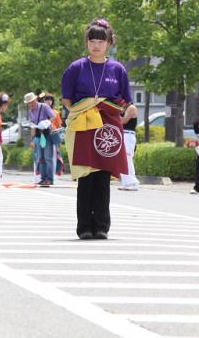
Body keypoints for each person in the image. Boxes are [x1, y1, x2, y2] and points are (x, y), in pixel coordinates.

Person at [62, 19, 131, 240]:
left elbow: (124, 101)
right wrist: (87, 108)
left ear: (109, 43)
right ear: (86, 42)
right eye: (92, 40)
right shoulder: (76, 68)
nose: (96, 45)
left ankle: (101, 226)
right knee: (86, 176)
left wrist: (116, 111)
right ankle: (84, 227)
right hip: (83, 127)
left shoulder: (117, 69)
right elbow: (67, 100)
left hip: (108, 128)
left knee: (102, 177)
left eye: (101, 41)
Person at [25, 92, 57, 186]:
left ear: (35, 100)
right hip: (38, 135)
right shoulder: (30, 111)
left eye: (32, 102)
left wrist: (46, 122)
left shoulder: (44, 107)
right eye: (29, 103)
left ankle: (50, 179)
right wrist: (32, 139)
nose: (31, 104)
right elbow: (32, 126)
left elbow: (53, 117)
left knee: (48, 157)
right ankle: (43, 178)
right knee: (41, 158)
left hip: (47, 134)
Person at [40, 92, 65, 176]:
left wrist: (60, 140)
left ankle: (53, 174)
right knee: (43, 157)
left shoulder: (56, 113)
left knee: (54, 155)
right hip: (43, 135)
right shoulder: (41, 112)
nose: (48, 101)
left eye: (50, 100)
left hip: (54, 135)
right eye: (47, 99)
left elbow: (59, 126)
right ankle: (44, 175)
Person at [119, 104, 140, 191]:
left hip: (128, 135)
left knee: (127, 159)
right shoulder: (122, 108)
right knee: (121, 160)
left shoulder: (131, 108)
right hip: (122, 134)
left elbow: (123, 121)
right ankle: (126, 183)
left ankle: (133, 183)